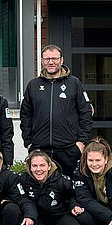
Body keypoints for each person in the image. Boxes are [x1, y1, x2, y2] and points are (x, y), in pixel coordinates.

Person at [20, 44, 93, 174]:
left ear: (61, 60)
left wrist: (81, 142)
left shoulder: (74, 83)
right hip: (40, 150)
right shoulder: (33, 86)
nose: (51, 62)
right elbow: (25, 116)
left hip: (69, 150)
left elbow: (86, 113)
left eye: (54, 58)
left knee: (69, 190)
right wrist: (29, 143)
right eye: (47, 59)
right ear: (42, 61)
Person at [17, 149, 94, 225]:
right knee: (20, 218)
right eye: (35, 166)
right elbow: (20, 199)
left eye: (42, 165)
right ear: (30, 167)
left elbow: (71, 197)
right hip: (36, 219)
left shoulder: (61, 180)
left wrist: (74, 206)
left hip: (57, 217)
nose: (38, 169)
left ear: (49, 166)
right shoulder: (23, 179)